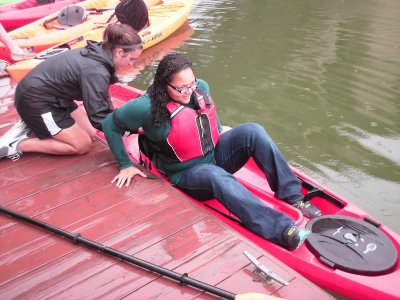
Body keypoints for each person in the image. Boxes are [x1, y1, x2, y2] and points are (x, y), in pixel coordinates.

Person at [101, 53, 322, 250]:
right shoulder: (145, 106)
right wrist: (125, 164)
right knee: (216, 176)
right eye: (181, 88)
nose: (189, 92)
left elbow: (207, 119)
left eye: (191, 84)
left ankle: (292, 196)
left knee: (253, 130)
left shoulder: (201, 88)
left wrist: (223, 130)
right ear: (163, 85)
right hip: (187, 174)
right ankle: (283, 230)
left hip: (215, 155)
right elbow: (110, 125)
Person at [0, 23, 143, 160]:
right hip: (35, 101)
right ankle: (15, 145)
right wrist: (133, 129)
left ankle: (34, 123)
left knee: (92, 133)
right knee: (81, 145)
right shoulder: (95, 71)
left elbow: (103, 103)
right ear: (119, 52)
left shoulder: (98, 52)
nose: (132, 64)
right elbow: (100, 117)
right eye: (131, 59)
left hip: (56, 96)